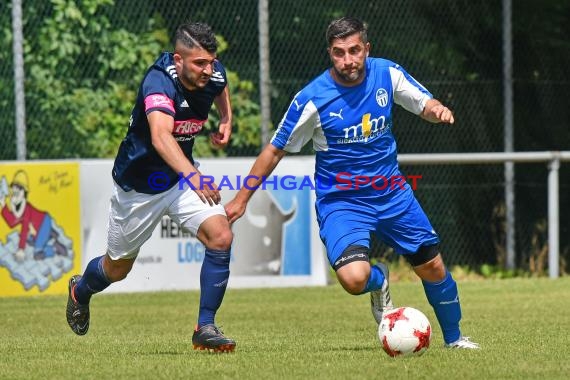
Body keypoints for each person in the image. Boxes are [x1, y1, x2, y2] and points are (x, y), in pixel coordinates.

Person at [225, 17, 479, 349]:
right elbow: (274, 151)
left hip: (391, 193)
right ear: (330, 54)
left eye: (355, 51)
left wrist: (437, 110)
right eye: (339, 53)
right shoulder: (313, 99)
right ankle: (378, 281)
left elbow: (423, 104)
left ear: (366, 49)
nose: (348, 61)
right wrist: (242, 199)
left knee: (432, 265)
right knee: (353, 278)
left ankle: (455, 340)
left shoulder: (387, 74)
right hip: (342, 202)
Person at [66, 22, 236, 352]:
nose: (208, 69)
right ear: (178, 60)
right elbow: (160, 137)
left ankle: (205, 327)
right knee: (117, 269)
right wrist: (193, 175)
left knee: (221, 235)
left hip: (178, 179)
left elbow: (221, 85)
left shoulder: (212, 72)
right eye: (199, 63)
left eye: (211, 62)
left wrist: (226, 118)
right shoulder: (158, 81)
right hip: (139, 188)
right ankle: (80, 290)